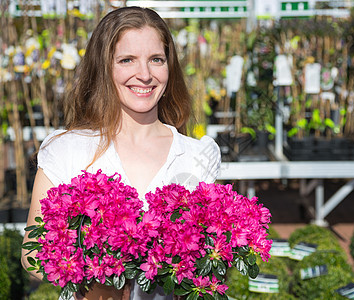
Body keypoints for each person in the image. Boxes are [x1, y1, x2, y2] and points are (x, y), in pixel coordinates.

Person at [21, 6, 221, 300]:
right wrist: (99, 275)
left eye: (156, 60)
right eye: (127, 60)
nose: (145, 75)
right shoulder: (67, 149)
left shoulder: (197, 155)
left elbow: (211, 257)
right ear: (104, 68)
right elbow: (33, 253)